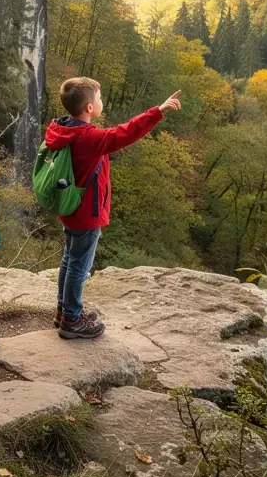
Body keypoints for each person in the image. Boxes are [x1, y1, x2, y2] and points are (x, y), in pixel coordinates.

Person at [44, 78, 182, 339]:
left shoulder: (62, 129)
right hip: (87, 213)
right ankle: (71, 319)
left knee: (68, 260)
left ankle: (64, 310)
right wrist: (158, 111)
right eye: (99, 98)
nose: (102, 102)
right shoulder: (90, 138)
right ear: (88, 107)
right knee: (79, 266)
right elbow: (126, 132)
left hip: (69, 208)